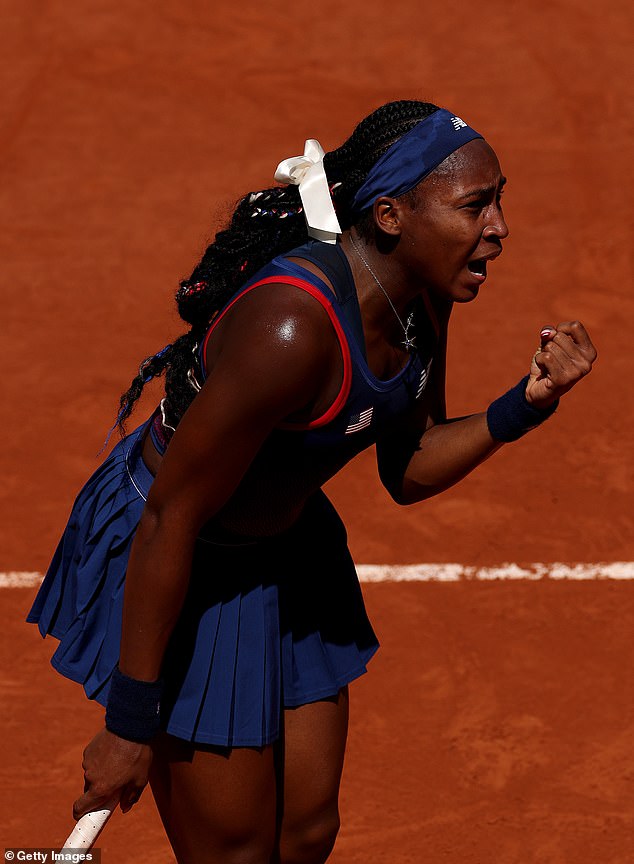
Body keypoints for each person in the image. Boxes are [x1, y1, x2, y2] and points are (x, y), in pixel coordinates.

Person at [28, 99, 596, 864]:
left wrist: (523, 405)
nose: (499, 226)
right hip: (190, 559)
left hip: (292, 549)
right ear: (391, 216)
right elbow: (171, 517)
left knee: (304, 835)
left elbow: (409, 463)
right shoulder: (289, 330)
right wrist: (129, 723)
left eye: (499, 199)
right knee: (235, 851)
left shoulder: (420, 296)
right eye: (474, 205)